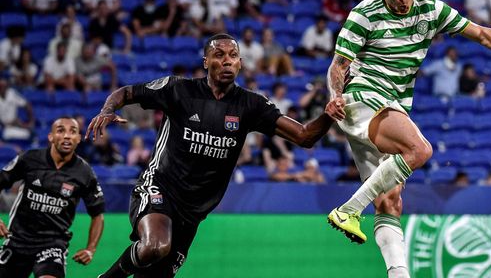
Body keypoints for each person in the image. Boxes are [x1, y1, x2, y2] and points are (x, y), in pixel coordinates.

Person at [324, 0, 491, 278]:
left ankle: (398, 274)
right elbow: (339, 66)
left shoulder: (432, 10)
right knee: (420, 150)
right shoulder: (364, 14)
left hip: (394, 103)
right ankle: (348, 210)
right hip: (361, 97)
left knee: (390, 201)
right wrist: (335, 96)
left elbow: (480, 33)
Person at [90, 34, 337, 278]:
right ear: (206, 62)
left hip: (193, 212)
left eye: (233, 56)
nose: (227, 61)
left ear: (240, 63)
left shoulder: (251, 105)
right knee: (155, 246)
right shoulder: (179, 89)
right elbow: (128, 93)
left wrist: (331, 112)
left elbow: (305, 136)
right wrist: (107, 109)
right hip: (160, 187)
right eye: (219, 55)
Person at [0, 117, 105, 278]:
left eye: (73, 132)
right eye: (61, 130)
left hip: (53, 244)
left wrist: (91, 249)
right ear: (51, 136)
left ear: (78, 139)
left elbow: (97, 215)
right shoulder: (29, 159)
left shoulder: (85, 173)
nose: (67, 136)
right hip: (17, 241)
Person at [0, 75, 34, 141]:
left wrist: (31, 121)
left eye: (4, 86)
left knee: (29, 134)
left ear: (7, 86)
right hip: (3, 128)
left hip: (15, 125)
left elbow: (27, 105)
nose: (2, 88)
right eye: (0, 86)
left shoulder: (11, 93)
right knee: (6, 135)